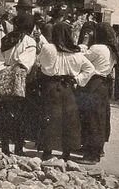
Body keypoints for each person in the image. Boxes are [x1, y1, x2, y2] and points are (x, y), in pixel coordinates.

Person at [37, 22, 95, 161]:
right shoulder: (76, 54)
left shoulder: (49, 48)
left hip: (51, 86)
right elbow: (90, 69)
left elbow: (42, 65)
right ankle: (66, 152)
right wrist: (78, 79)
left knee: (50, 118)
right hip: (68, 87)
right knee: (69, 120)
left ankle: (47, 151)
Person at [0, 14, 37, 156]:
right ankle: (18, 148)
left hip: (4, 79)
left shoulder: (7, 39)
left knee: (3, 113)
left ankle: (5, 146)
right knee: (20, 115)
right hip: (20, 83)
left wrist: (4, 71)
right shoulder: (29, 41)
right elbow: (25, 63)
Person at [78, 23, 117, 164]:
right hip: (104, 84)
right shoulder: (111, 50)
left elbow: (80, 58)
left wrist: (84, 43)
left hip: (94, 83)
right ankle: (98, 149)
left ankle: (91, 154)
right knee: (100, 118)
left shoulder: (97, 48)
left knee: (91, 118)